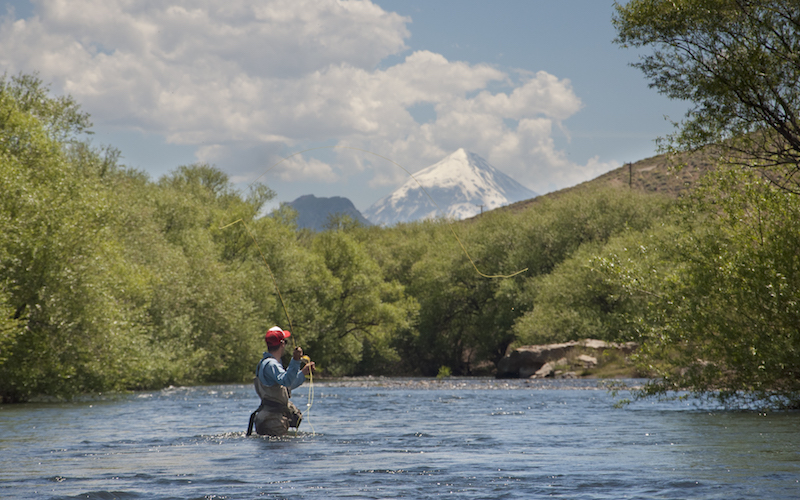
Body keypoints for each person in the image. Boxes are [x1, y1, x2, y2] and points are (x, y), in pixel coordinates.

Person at [247, 326, 315, 437]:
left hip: (268, 418)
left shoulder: (265, 363)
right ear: (282, 343)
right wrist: (295, 361)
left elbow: (285, 386)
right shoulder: (271, 364)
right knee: (281, 452)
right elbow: (286, 381)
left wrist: (303, 373)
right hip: (273, 421)